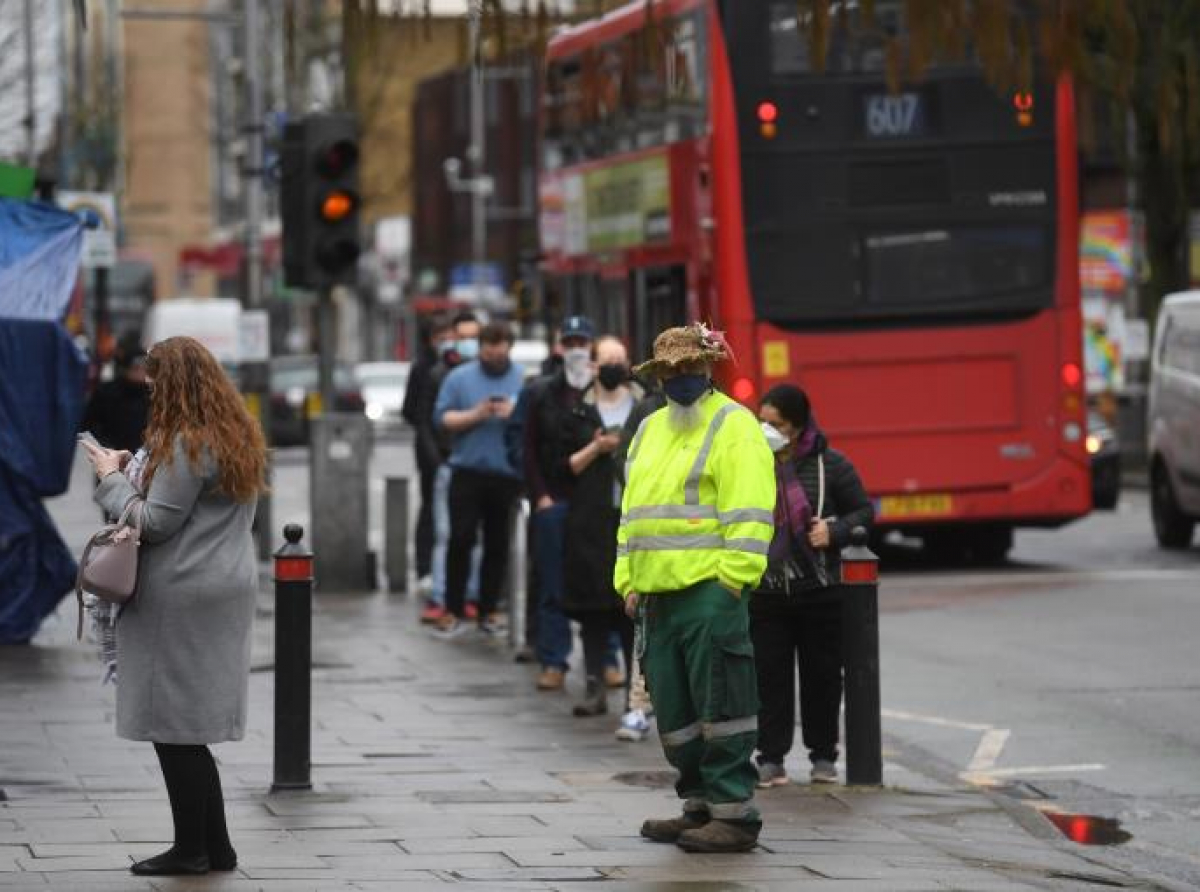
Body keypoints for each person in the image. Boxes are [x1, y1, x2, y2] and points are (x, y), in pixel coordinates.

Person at [79, 336, 267, 877]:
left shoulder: (187, 441)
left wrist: (110, 477)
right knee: (189, 724)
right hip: (221, 584)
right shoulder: (236, 432)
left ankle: (191, 850)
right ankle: (217, 846)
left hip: (181, 589)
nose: (152, 388)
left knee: (173, 725)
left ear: (177, 382)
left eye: (158, 379)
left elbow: (156, 522)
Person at [617, 323, 775, 853]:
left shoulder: (734, 424)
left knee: (723, 708)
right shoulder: (649, 429)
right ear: (658, 376)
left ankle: (734, 815)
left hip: (710, 591)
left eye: (689, 368)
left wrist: (732, 581)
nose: (680, 377)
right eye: (670, 371)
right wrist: (628, 581)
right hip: (657, 597)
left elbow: (750, 511)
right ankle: (700, 806)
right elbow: (632, 515)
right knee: (678, 716)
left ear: (707, 368)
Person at [751, 384, 874, 788]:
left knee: (822, 676)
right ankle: (770, 758)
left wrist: (836, 530)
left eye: (777, 425)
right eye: (762, 422)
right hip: (766, 591)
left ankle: (823, 756)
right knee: (769, 678)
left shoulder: (830, 464)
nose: (767, 431)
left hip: (819, 589)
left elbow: (864, 511)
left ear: (798, 426)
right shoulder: (749, 463)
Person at [562, 335, 644, 715]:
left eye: (620, 360)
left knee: (630, 608)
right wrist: (597, 448)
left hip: (634, 520)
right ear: (593, 366)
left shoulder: (646, 409)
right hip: (591, 522)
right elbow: (566, 466)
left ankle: (636, 692)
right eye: (606, 360)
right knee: (593, 606)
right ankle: (595, 684)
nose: (613, 367)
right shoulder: (579, 410)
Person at [433, 321, 525, 637]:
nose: (494, 355)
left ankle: (488, 609)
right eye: (488, 349)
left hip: (506, 474)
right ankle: (452, 608)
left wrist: (513, 412)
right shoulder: (459, 378)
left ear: (509, 347)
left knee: (497, 544)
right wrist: (477, 414)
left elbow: (534, 422)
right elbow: (442, 418)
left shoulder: (523, 379)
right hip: (467, 471)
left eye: (500, 349)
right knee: (460, 539)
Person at [521, 316, 597, 691]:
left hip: (595, 504)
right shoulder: (540, 392)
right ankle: (554, 660)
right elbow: (528, 449)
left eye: (582, 342)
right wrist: (540, 497)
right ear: (558, 347)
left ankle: (607, 660)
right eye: (569, 343)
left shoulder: (604, 390)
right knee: (552, 583)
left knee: (601, 585)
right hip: (554, 499)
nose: (576, 350)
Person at [416, 311, 483, 623]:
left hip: (481, 466)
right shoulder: (440, 373)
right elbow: (426, 422)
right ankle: (442, 597)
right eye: (464, 337)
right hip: (451, 463)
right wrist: (438, 461)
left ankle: (471, 595)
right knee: (446, 533)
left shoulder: (489, 374)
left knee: (476, 537)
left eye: (475, 337)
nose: (470, 343)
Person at [401, 315, 455, 596]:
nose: (445, 341)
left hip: (453, 452)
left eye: (449, 334)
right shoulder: (422, 368)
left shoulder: (457, 366)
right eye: (440, 335)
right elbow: (411, 412)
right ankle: (424, 568)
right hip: (429, 452)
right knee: (430, 509)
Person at [81, 331, 151, 454]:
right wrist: (106, 448)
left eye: (145, 367)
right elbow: (89, 425)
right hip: (111, 456)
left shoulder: (152, 394)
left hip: (143, 459)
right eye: (136, 367)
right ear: (126, 368)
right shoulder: (106, 392)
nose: (141, 372)